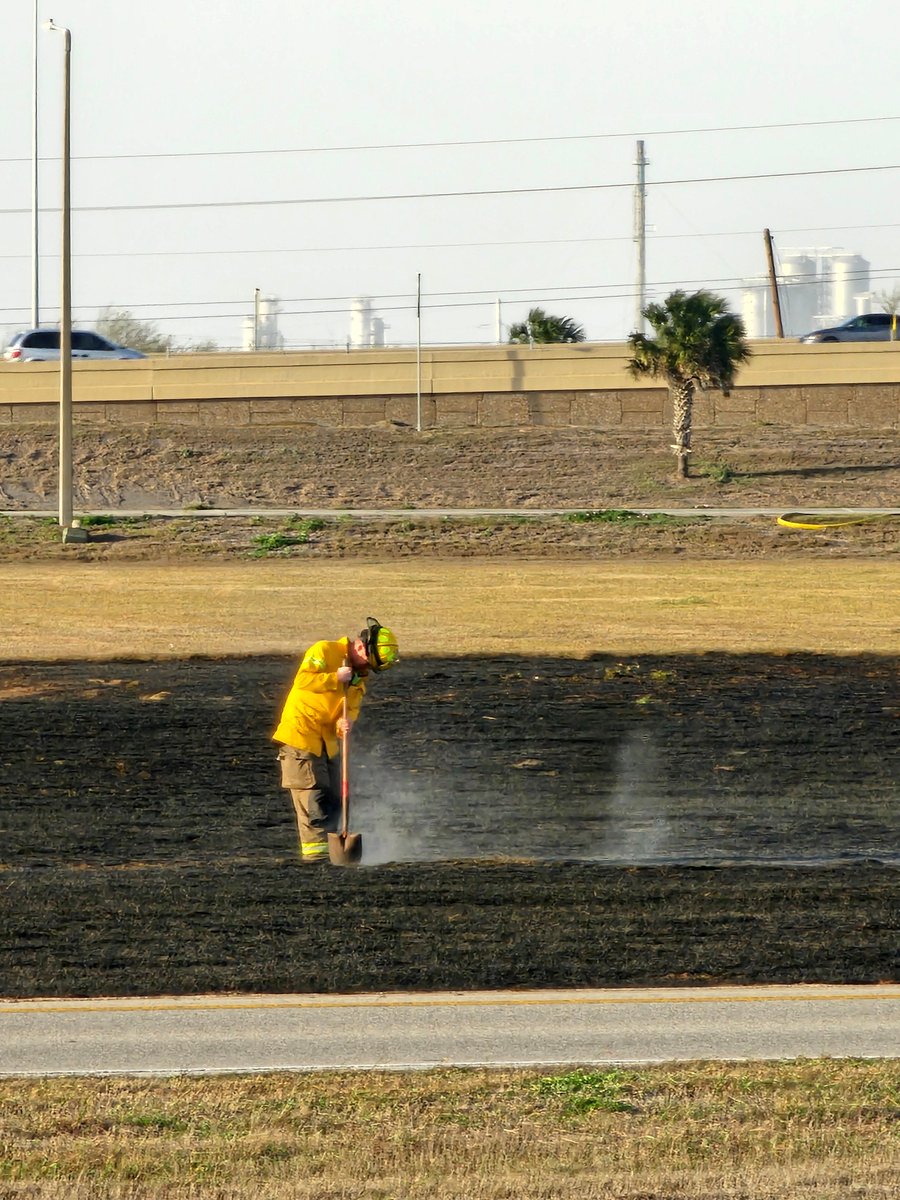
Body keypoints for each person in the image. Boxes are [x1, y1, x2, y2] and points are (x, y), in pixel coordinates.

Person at [273, 616, 399, 863]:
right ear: (361, 647)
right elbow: (303, 680)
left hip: (327, 742)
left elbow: (349, 712)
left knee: (336, 801)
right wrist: (334, 678)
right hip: (301, 736)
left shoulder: (359, 680)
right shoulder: (324, 650)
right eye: (368, 663)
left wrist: (344, 725)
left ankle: (335, 857)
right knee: (313, 800)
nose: (366, 670)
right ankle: (316, 860)